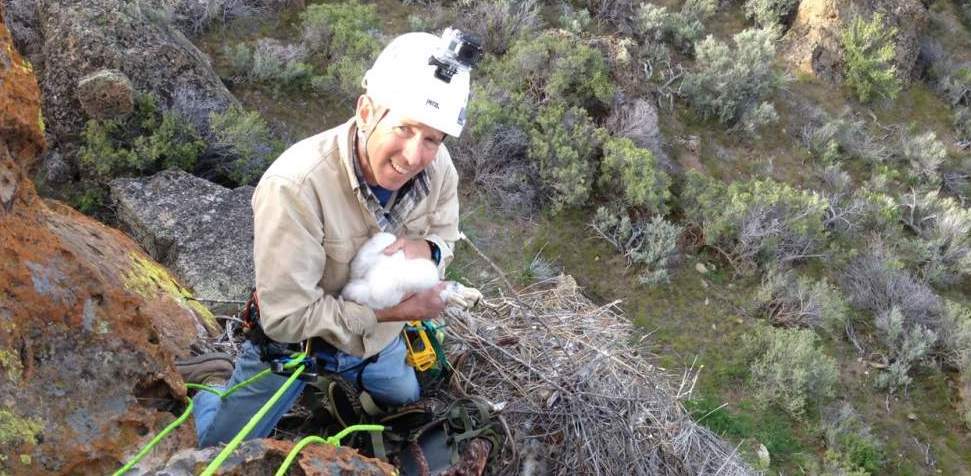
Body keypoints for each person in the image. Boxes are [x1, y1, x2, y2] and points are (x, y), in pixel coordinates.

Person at [180, 29, 479, 448]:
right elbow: (285, 317)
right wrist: (392, 312)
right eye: (404, 128)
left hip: (378, 343)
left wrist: (429, 249)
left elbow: (445, 234)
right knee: (222, 451)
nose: (414, 156)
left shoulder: (438, 168)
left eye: (431, 138)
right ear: (366, 111)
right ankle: (215, 380)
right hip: (297, 347)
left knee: (406, 400)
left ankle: (350, 379)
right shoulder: (296, 187)